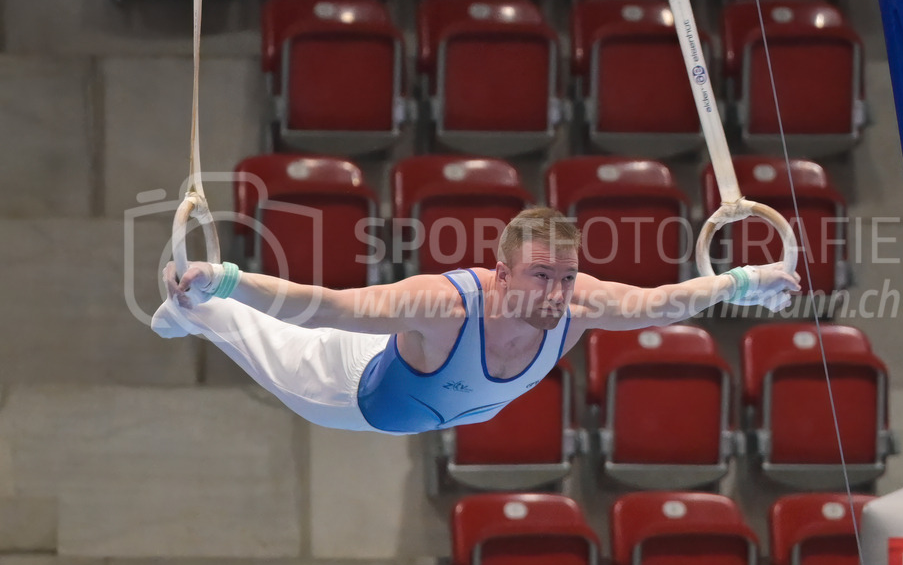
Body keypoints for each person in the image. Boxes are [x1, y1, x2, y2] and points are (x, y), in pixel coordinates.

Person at [153, 207, 800, 434]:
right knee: (258, 326)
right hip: (349, 392)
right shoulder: (446, 304)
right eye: (542, 276)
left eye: (567, 276)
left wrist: (747, 280)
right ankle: (197, 304)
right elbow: (328, 304)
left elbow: (663, 301)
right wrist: (231, 277)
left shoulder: (579, 303)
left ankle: (204, 302)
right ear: (502, 270)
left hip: (439, 394)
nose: (557, 293)